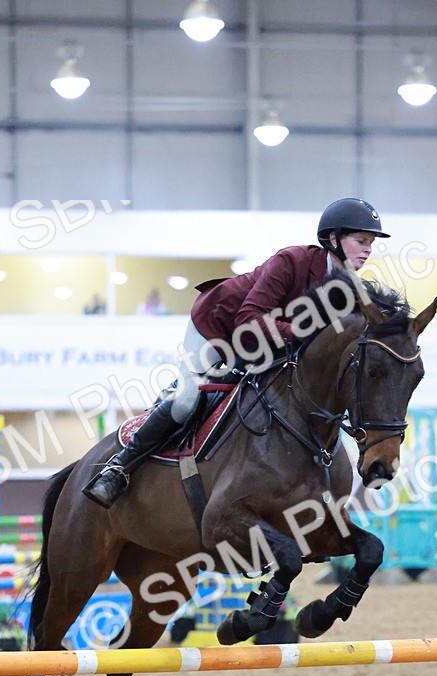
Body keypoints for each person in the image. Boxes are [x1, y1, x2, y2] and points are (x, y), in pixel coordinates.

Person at [83, 197, 389, 508]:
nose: (368, 249)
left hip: (268, 344)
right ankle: (120, 466)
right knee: (188, 400)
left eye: (371, 243)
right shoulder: (291, 261)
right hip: (218, 329)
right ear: (333, 238)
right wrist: (300, 334)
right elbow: (249, 319)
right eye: (361, 240)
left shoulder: (350, 288)